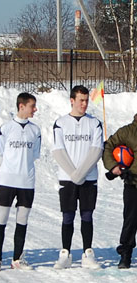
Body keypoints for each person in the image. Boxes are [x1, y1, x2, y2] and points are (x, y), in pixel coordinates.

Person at [52, 85, 103, 270]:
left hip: (88, 178)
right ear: (72, 101)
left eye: (87, 100)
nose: (84, 103)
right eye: (81, 100)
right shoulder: (60, 123)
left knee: (87, 215)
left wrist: (81, 173)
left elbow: (96, 149)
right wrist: (74, 174)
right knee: (68, 216)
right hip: (68, 178)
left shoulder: (94, 123)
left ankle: (87, 253)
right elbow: (58, 151)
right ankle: (65, 253)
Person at [0, 93, 40, 272]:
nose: (35, 109)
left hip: (27, 182)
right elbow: (0, 153)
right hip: (7, 181)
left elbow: (34, 155)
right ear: (21, 106)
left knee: (22, 220)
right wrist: (9, 169)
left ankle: (17, 258)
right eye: (32, 106)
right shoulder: (6, 128)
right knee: (1, 219)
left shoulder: (35, 131)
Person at [102, 114, 137, 269]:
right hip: (133, 183)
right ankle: (126, 253)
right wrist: (113, 166)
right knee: (130, 220)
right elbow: (108, 146)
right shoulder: (127, 132)